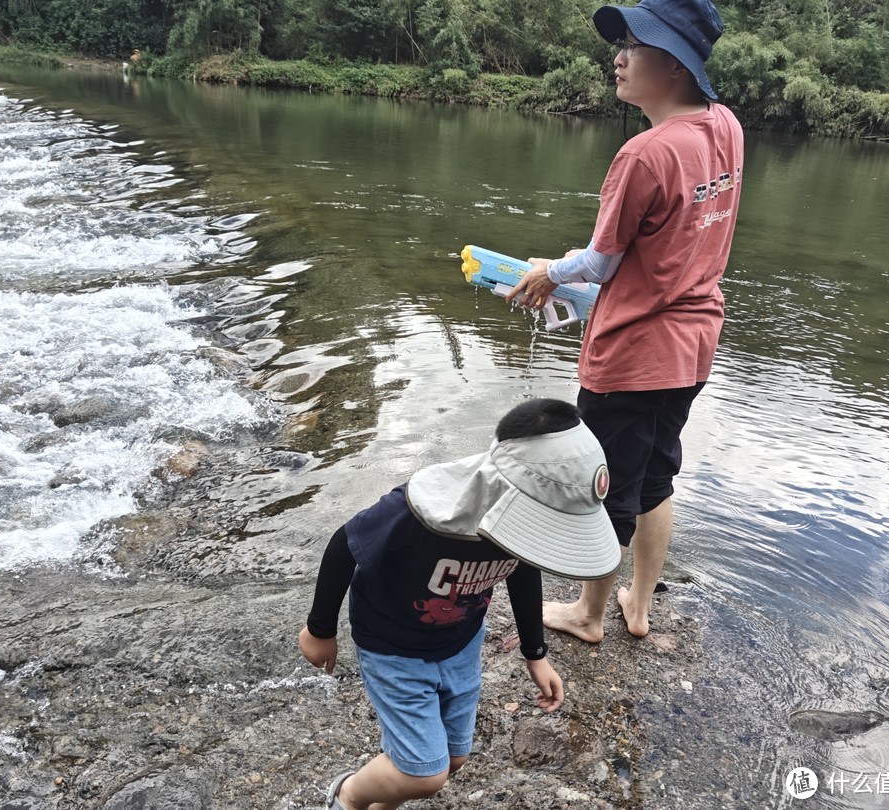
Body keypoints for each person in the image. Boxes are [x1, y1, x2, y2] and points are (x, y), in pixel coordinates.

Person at [506, 0, 744, 641]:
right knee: (658, 475)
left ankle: (587, 615)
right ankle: (637, 603)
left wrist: (550, 271)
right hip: (693, 347)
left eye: (631, 47)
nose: (617, 58)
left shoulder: (644, 153)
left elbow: (605, 263)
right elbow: (665, 248)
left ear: (670, 65)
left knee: (605, 486)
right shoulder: (725, 126)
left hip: (634, 357)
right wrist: (567, 275)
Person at [298, 398, 621, 809]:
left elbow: (523, 570)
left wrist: (535, 653)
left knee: (454, 757)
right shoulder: (419, 512)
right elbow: (346, 543)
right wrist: (320, 629)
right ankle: (346, 797)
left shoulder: (522, 530)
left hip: (461, 644)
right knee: (425, 772)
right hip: (393, 646)